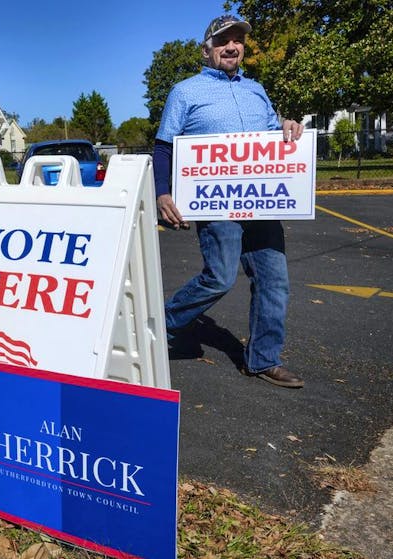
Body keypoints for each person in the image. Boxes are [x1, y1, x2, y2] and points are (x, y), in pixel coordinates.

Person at [154, 14, 305, 388]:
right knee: (219, 278)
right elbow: (163, 146)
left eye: (237, 40)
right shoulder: (185, 91)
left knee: (274, 280)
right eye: (223, 41)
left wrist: (286, 126)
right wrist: (162, 192)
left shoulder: (257, 90)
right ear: (207, 49)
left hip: (262, 200)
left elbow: (272, 136)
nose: (232, 46)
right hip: (215, 202)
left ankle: (264, 360)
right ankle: (158, 326)